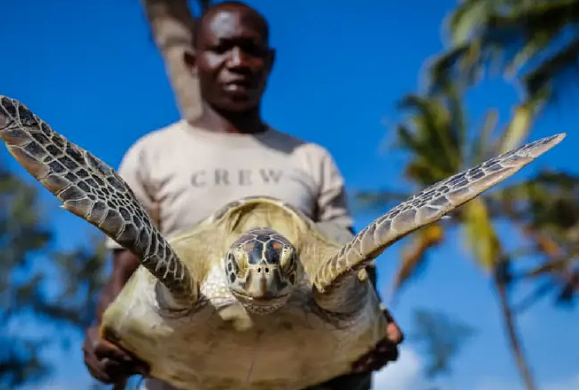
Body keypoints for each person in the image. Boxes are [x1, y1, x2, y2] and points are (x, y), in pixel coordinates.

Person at [82, 2, 404, 389]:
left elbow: (351, 264)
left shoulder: (311, 159)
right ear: (192, 60)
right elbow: (125, 271)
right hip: (183, 373)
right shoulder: (152, 154)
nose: (237, 61)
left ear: (268, 62)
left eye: (250, 49)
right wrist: (102, 332)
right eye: (222, 48)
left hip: (306, 373)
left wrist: (376, 321)